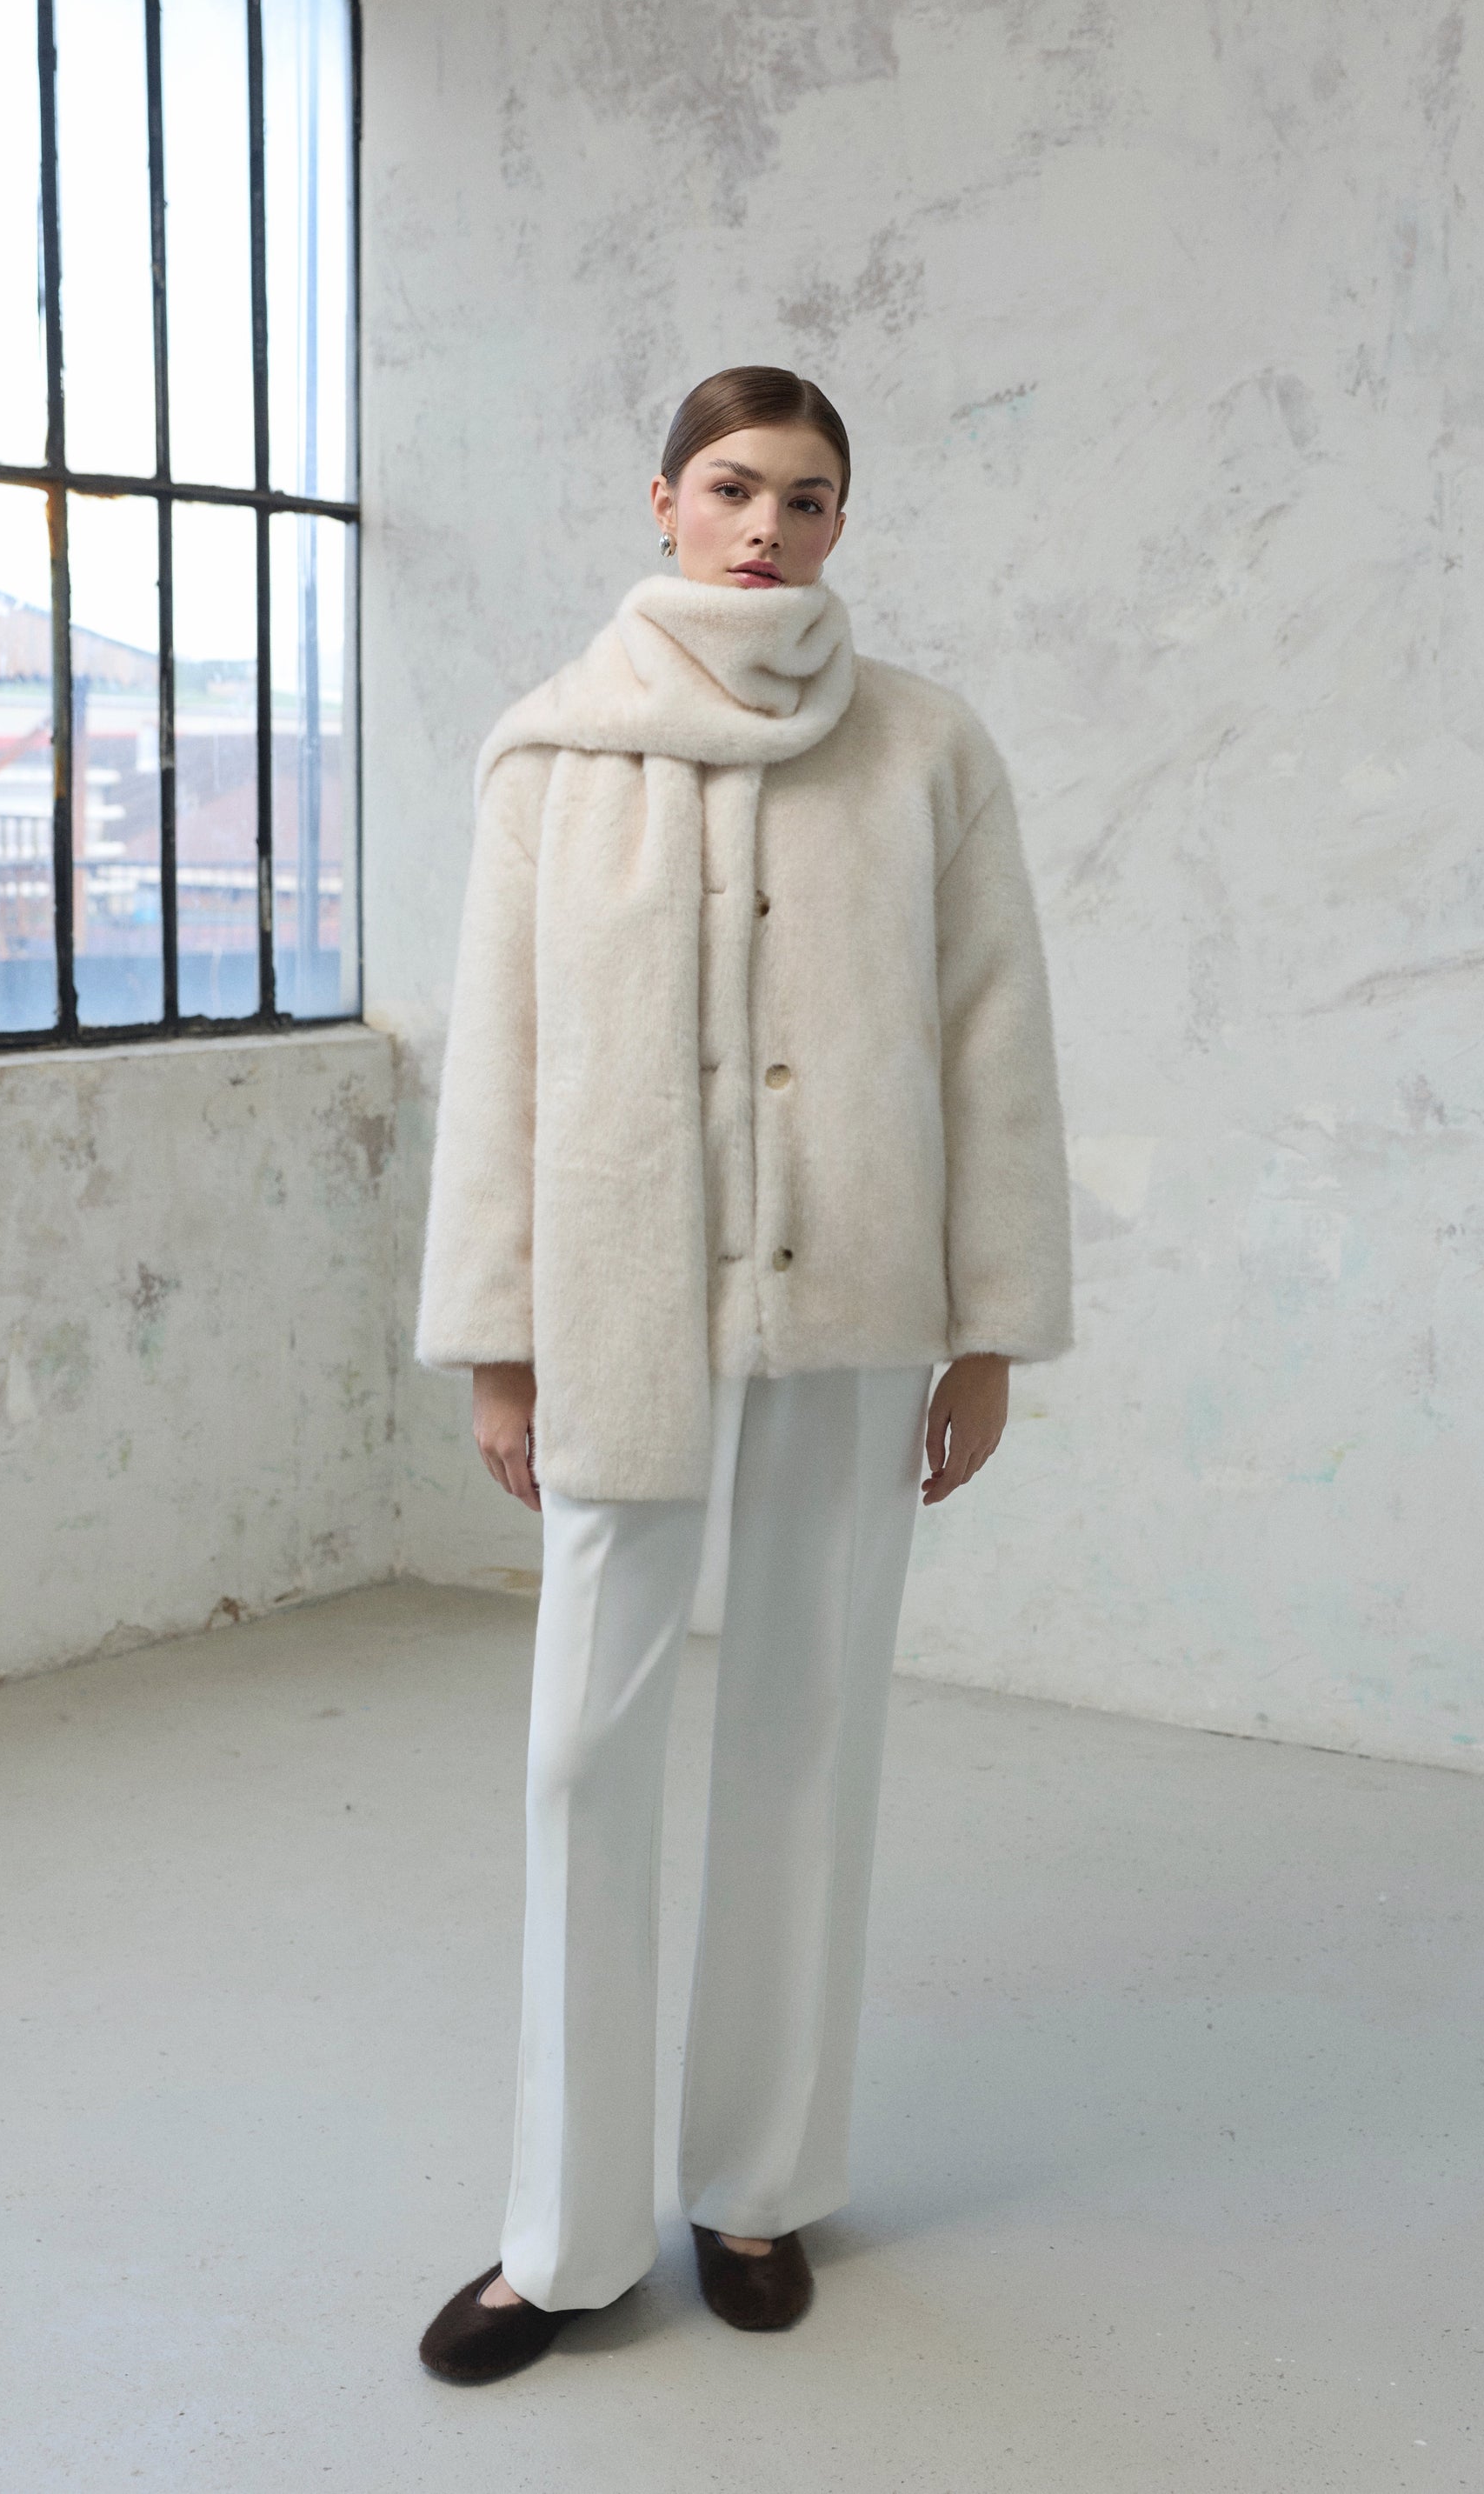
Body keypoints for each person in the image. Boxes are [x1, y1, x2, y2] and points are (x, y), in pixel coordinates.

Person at [413, 366, 1072, 2384]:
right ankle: (561, 2234)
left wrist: (987, 1331)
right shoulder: (550, 753)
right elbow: (498, 1064)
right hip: (618, 1304)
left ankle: (757, 2183)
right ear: (663, 499)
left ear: (840, 520)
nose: (766, 524)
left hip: (856, 1306)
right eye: (730, 485)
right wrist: (500, 1344)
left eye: (805, 493)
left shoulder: (926, 748)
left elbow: (992, 1041)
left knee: (805, 1725)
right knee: (581, 1752)